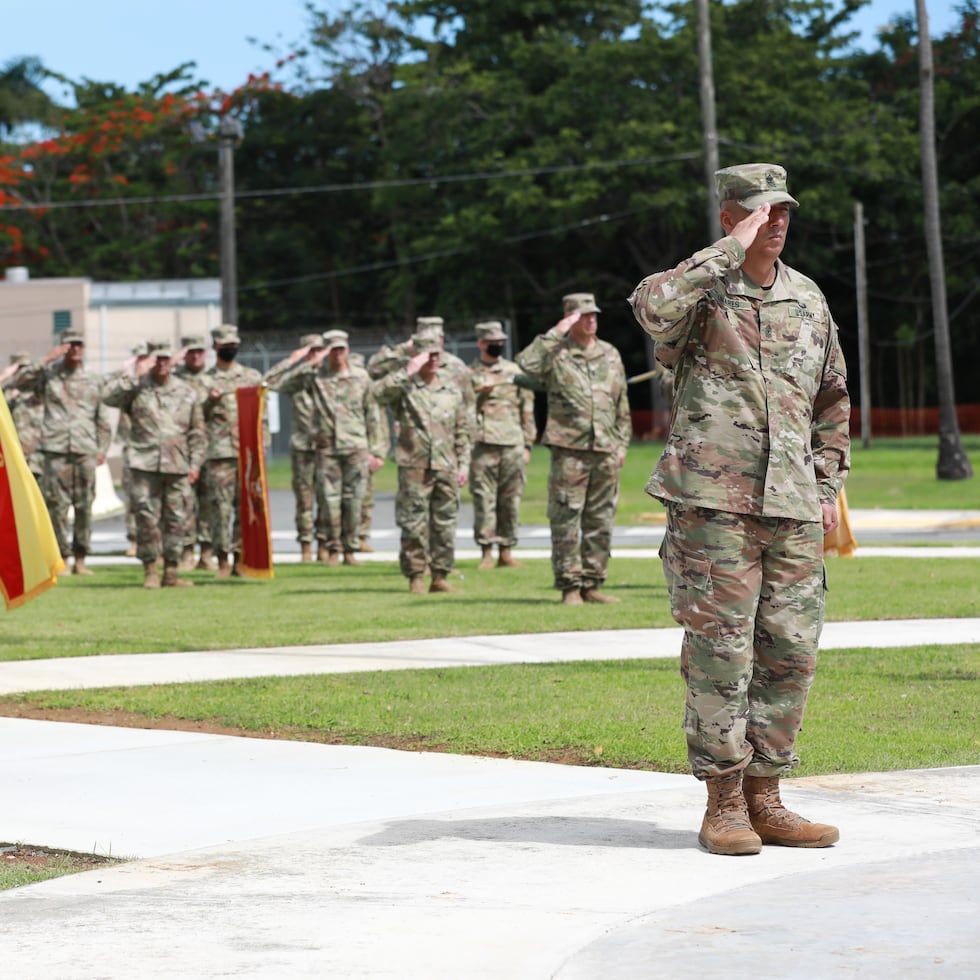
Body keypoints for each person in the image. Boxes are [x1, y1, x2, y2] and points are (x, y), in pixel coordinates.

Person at [627, 162, 851, 856]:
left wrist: (825, 485)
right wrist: (725, 252)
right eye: (759, 212)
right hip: (710, 506)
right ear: (730, 217)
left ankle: (767, 798)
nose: (775, 222)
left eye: (783, 211)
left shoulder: (808, 299)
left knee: (789, 653)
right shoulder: (701, 290)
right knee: (721, 654)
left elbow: (833, 398)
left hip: (791, 505)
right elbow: (650, 307)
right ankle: (723, 803)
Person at [516, 293, 630, 605]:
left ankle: (593, 583)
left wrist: (621, 444)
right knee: (566, 517)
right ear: (569, 320)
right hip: (570, 450)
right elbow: (525, 363)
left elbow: (621, 404)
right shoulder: (555, 355)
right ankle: (569, 586)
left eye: (594, 314)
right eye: (583, 315)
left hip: (606, 449)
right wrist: (556, 331)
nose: (591, 320)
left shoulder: (610, 354)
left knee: (601, 519)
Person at [274, 330, 385, 566]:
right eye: (332, 349)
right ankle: (333, 549)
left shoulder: (361, 377)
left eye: (341, 349)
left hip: (356, 447)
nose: (337, 354)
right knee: (329, 501)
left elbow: (373, 415)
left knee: (354, 500)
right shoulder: (316, 377)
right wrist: (310, 362)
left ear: (348, 350)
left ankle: (350, 550)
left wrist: (377, 451)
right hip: (328, 448)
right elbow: (279, 385)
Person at [103, 340, 206, 588]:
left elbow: (197, 432)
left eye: (165, 359)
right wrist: (131, 375)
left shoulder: (186, 391)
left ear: (172, 361)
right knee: (146, 518)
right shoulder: (137, 389)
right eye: (156, 359)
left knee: (177, 518)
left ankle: (171, 571)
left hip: (178, 465)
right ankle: (150, 570)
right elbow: (108, 397)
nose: (161, 364)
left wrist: (195, 463)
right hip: (143, 464)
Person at [373, 334, 471, 593]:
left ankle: (440, 576)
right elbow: (375, 394)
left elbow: (462, 430)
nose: (434, 359)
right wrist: (407, 369)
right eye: (428, 355)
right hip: (414, 465)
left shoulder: (451, 388)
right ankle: (416, 575)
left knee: (445, 524)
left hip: (446, 465)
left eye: (437, 354)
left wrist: (464, 464)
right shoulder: (405, 387)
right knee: (413, 523)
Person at [14, 330, 112, 575]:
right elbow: (19, 383)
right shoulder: (49, 375)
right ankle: (61, 557)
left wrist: (102, 448)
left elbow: (102, 418)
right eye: (70, 345)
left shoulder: (93, 379)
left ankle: (81, 557)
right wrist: (46, 359)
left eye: (79, 345)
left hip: (85, 449)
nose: (75, 349)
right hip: (55, 450)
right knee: (56, 507)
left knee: (85, 506)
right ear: (62, 347)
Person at [467, 320, 536, 569]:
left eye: (500, 342)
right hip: (482, 444)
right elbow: (462, 410)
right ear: (481, 343)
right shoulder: (469, 374)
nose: (497, 345)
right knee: (483, 500)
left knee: (510, 500)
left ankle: (506, 550)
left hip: (512, 443)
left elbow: (526, 409)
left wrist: (528, 443)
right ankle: (486, 551)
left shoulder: (514, 372)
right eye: (492, 342)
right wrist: (480, 394)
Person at [201, 324, 264, 577]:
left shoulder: (251, 376)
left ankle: (240, 558)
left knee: (245, 508)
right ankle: (222, 560)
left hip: (246, 453)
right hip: (219, 453)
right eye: (225, 346)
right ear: (215, 347)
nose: (230, 350)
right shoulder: (205, 380)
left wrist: (262, 447)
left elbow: (262, 417)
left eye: (233, 345)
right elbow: (195, 416)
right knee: (220, 509)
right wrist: (209, 401)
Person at [264, 333, 327, 563]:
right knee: (305, 499)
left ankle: (325, 545)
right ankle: (306, 547)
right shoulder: (295, 380)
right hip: (303, 447)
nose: (315, 356)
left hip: (327, 447)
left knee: (327, 499)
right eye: (310, 351)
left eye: (318, 350)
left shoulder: (329, 376)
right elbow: (268, 382)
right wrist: (293, 361)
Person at [173, 334, 213, 569]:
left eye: (200, 351)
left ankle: (206, 553)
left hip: (213, 450)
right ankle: (186, 551)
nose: (196, 356)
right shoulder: (175, 380)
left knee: (209, 504)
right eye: (191, 352)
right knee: (184, 504)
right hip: (181, 451)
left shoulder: (213, 379)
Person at [0, 352, 44, 483]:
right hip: (14, 455)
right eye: (19, 369)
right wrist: (4, 377)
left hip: (37, 455)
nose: (23, 373)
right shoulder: (6, 393)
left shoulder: (37, 391)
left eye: (26, 369)